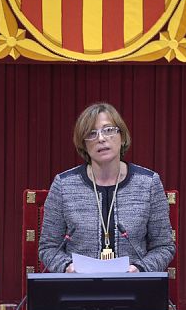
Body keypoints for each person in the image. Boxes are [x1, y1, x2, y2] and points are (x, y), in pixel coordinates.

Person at [39, 102, 175, 273]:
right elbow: (48, 248)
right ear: (83, 144)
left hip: (133, 287)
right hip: (79, 288)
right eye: (91, 134)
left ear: (122, 136)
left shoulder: (148, 183)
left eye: (108, 130)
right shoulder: (63, 185)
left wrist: (140, 269)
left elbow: (164, 246)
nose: (101, 138)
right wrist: (68, 267)